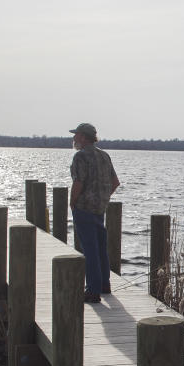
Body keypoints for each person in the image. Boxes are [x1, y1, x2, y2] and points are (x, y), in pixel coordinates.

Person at [69, 123, 120, 303]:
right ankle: (104, 285)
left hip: (84, 209)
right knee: (100, 249)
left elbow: (78, 183)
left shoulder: (80, 157)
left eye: (76, 135)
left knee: (89, 250)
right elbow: (115, 182)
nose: (74, 138)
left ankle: (92, 290)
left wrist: (72, 203)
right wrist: (103, 198)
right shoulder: (104, 155)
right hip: (99, 209)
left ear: (83, 137)